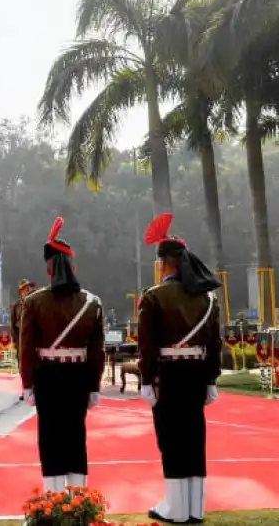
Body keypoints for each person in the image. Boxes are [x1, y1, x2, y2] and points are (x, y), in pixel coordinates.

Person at [139, 213, 222, 524]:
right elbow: (215, 343)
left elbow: (147, 346)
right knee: (194, 438)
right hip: (198, 375)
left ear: (164, 263)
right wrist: (211, 379)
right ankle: (194, 507)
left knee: (172, 440)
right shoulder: (208, 299)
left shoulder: (154, 296)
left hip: (168, 377)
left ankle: (174, 508)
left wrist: (147, 380)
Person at [19, 217, 105, 492]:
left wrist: (27, 384)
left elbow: (26, 348)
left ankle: (53, 499)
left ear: (49, 268)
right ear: (72, 266)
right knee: (76, 436)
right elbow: (97, 351)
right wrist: (94, 385)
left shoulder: (33, 301)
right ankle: (79, 499)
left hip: (47, 376)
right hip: (79, 376)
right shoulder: (92, 302)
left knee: (50, 437)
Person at [10, 279, 36, 401]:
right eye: (25, 289)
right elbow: (13, 325)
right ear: (21, 292)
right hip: (21, 342)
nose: (29, 290)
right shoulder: (16, 306)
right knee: (23, 367)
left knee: (36, 366)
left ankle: (37, 390)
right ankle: (26, 389)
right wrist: (16, 342)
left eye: (30, 287)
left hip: (35, 341)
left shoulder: (38, 304)